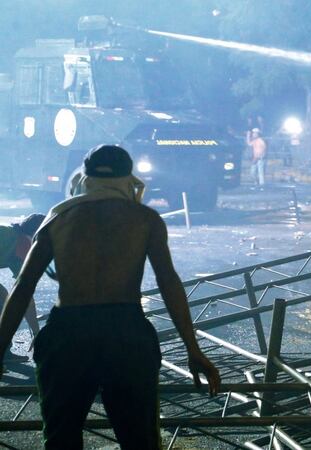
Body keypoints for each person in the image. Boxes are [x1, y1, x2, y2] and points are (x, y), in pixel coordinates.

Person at [0, 145, 221, 449]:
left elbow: (23, 286)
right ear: (127, 178)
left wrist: (0, 347)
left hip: (68, 335)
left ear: (85, 176)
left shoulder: (58, 219)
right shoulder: (145, 220)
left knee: (61, 440)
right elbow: (169, 283)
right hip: (126, 335)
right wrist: (193, 349)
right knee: (140, 440)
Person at [0, 214, 46, 360]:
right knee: (2, 296)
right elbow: (24, 294)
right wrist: (37, 332)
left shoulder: (15, 239)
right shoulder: (20, 242)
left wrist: (37, 332)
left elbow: (23, 294)